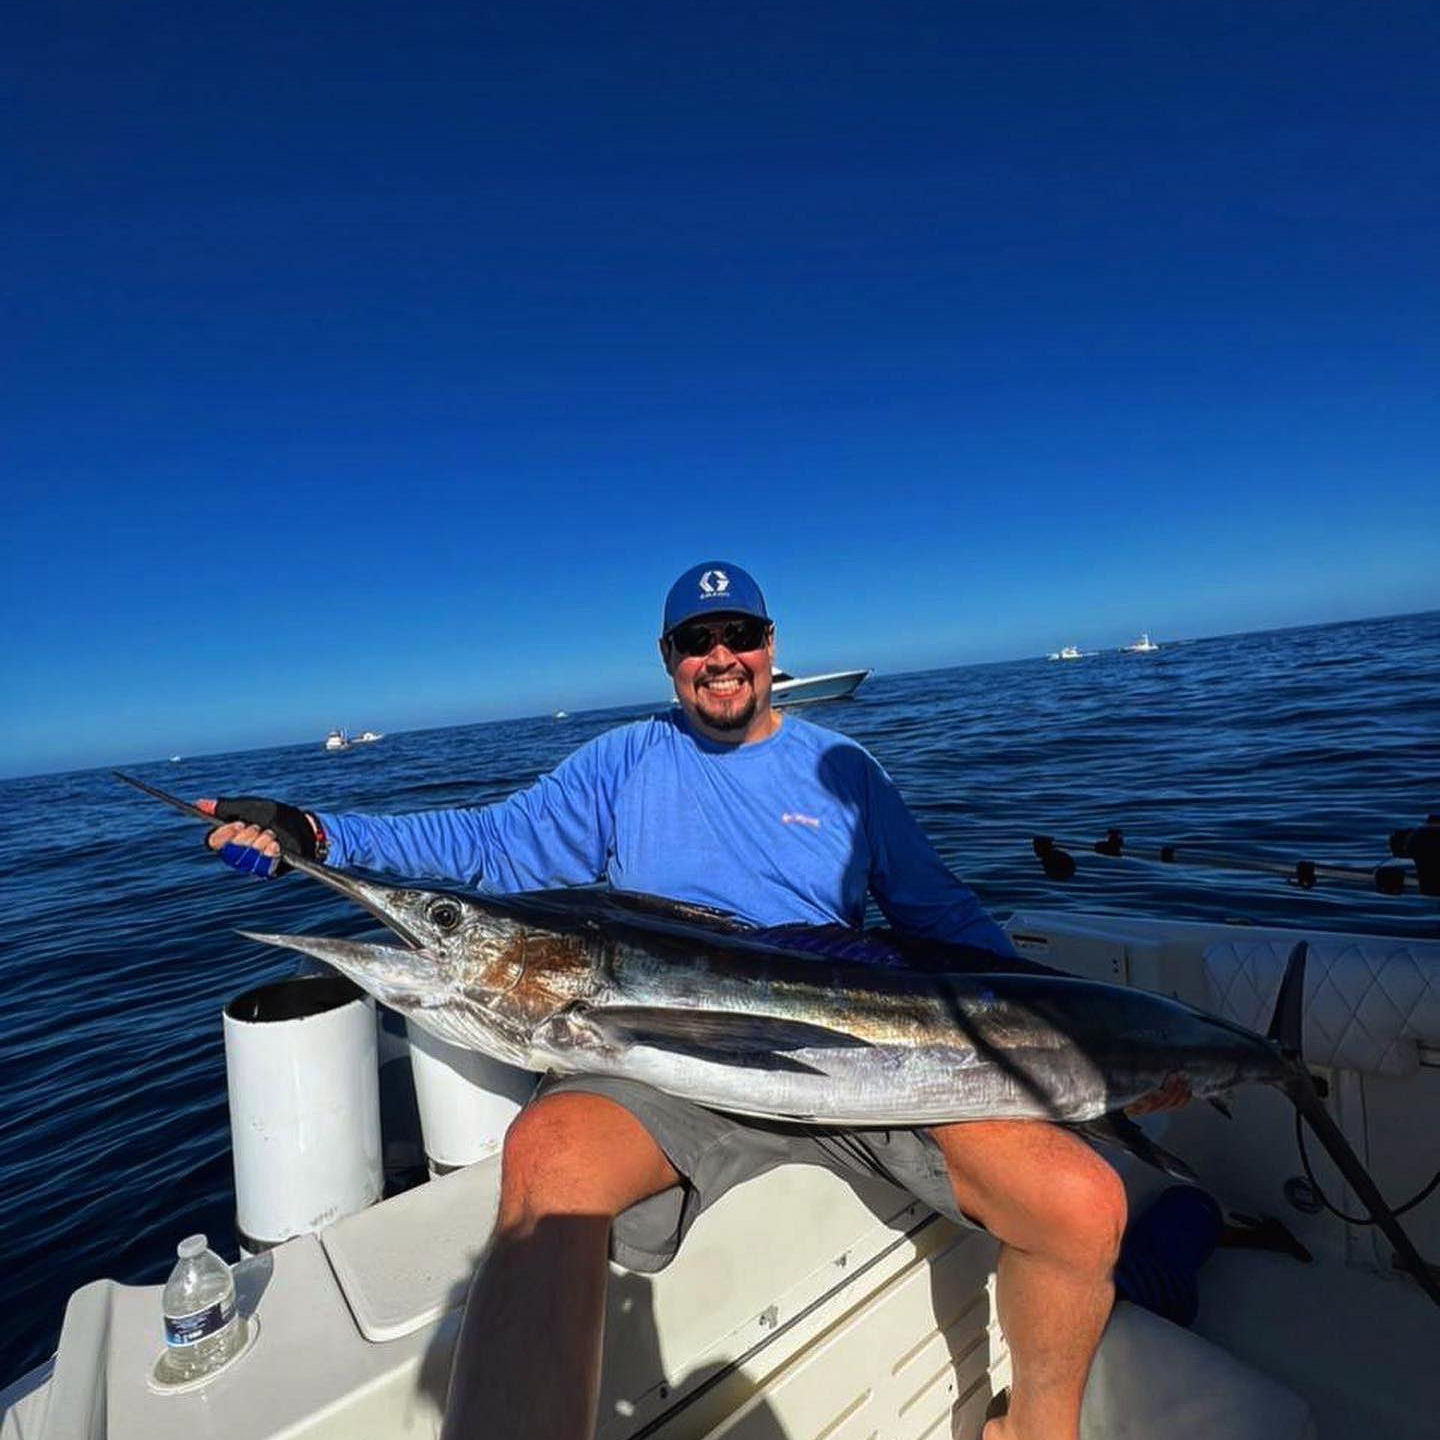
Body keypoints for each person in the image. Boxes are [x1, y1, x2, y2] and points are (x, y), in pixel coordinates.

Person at [205, 560, 1177, 1440]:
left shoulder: (848, 771)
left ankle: (1034, 1431)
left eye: (738, 635)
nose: (720, 657)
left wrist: (1089, 1028)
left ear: (769, 646)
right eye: (695, 642)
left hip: (855, 1049)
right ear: (669, 659)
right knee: (547, 1160)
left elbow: (943, 916)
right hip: (655, 1059)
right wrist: (315, 835)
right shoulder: (623, 762)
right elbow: (487, 848)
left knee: (1084, 1202)